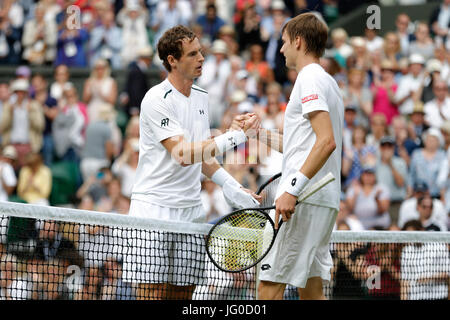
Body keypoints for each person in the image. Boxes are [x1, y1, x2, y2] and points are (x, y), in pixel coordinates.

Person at [122, 25, 261, 300]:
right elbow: (183, 154)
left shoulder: (201, 97)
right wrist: (233, 137)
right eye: (193, 54)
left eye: (201, 52)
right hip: (154, 209)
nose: (201, 59)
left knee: (183, 293)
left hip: (191, 211)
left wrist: (231, 185)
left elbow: (202, 156)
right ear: (172, 60)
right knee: (152, 293)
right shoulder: (154, 99)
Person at [237, 13, 343, 300]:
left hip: (303, 198)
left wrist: (292, 190)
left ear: (298, 41)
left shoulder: (308, 78)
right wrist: (259, 134)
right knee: (311, 292)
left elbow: (326, 142)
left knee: (268, 288)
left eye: (284, 42)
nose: (281, 49)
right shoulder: (328, 82)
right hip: (323, 198)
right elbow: (303, 144)